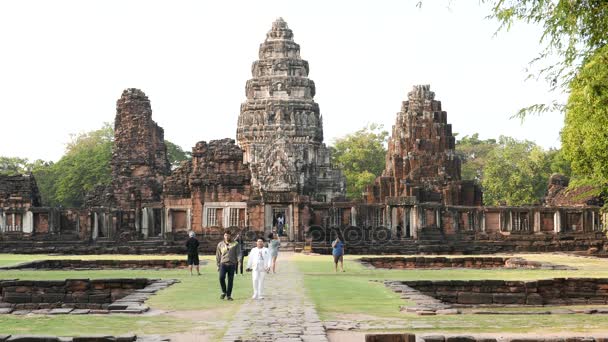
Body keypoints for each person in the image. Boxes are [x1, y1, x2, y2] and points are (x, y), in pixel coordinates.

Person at [216, 230, 240, 301]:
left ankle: (229, 295)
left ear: (230, 236)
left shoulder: (235, 243)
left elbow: (238, 253)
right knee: (221, 278)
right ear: (224, 236)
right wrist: (217, 265)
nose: (227, 237)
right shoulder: (220, 244)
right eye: (225, 235)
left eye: (228, 235)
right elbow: (218, 255)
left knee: (230, 280)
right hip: (223, 264)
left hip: (232, 264)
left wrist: (239, 260)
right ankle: (224, 292)